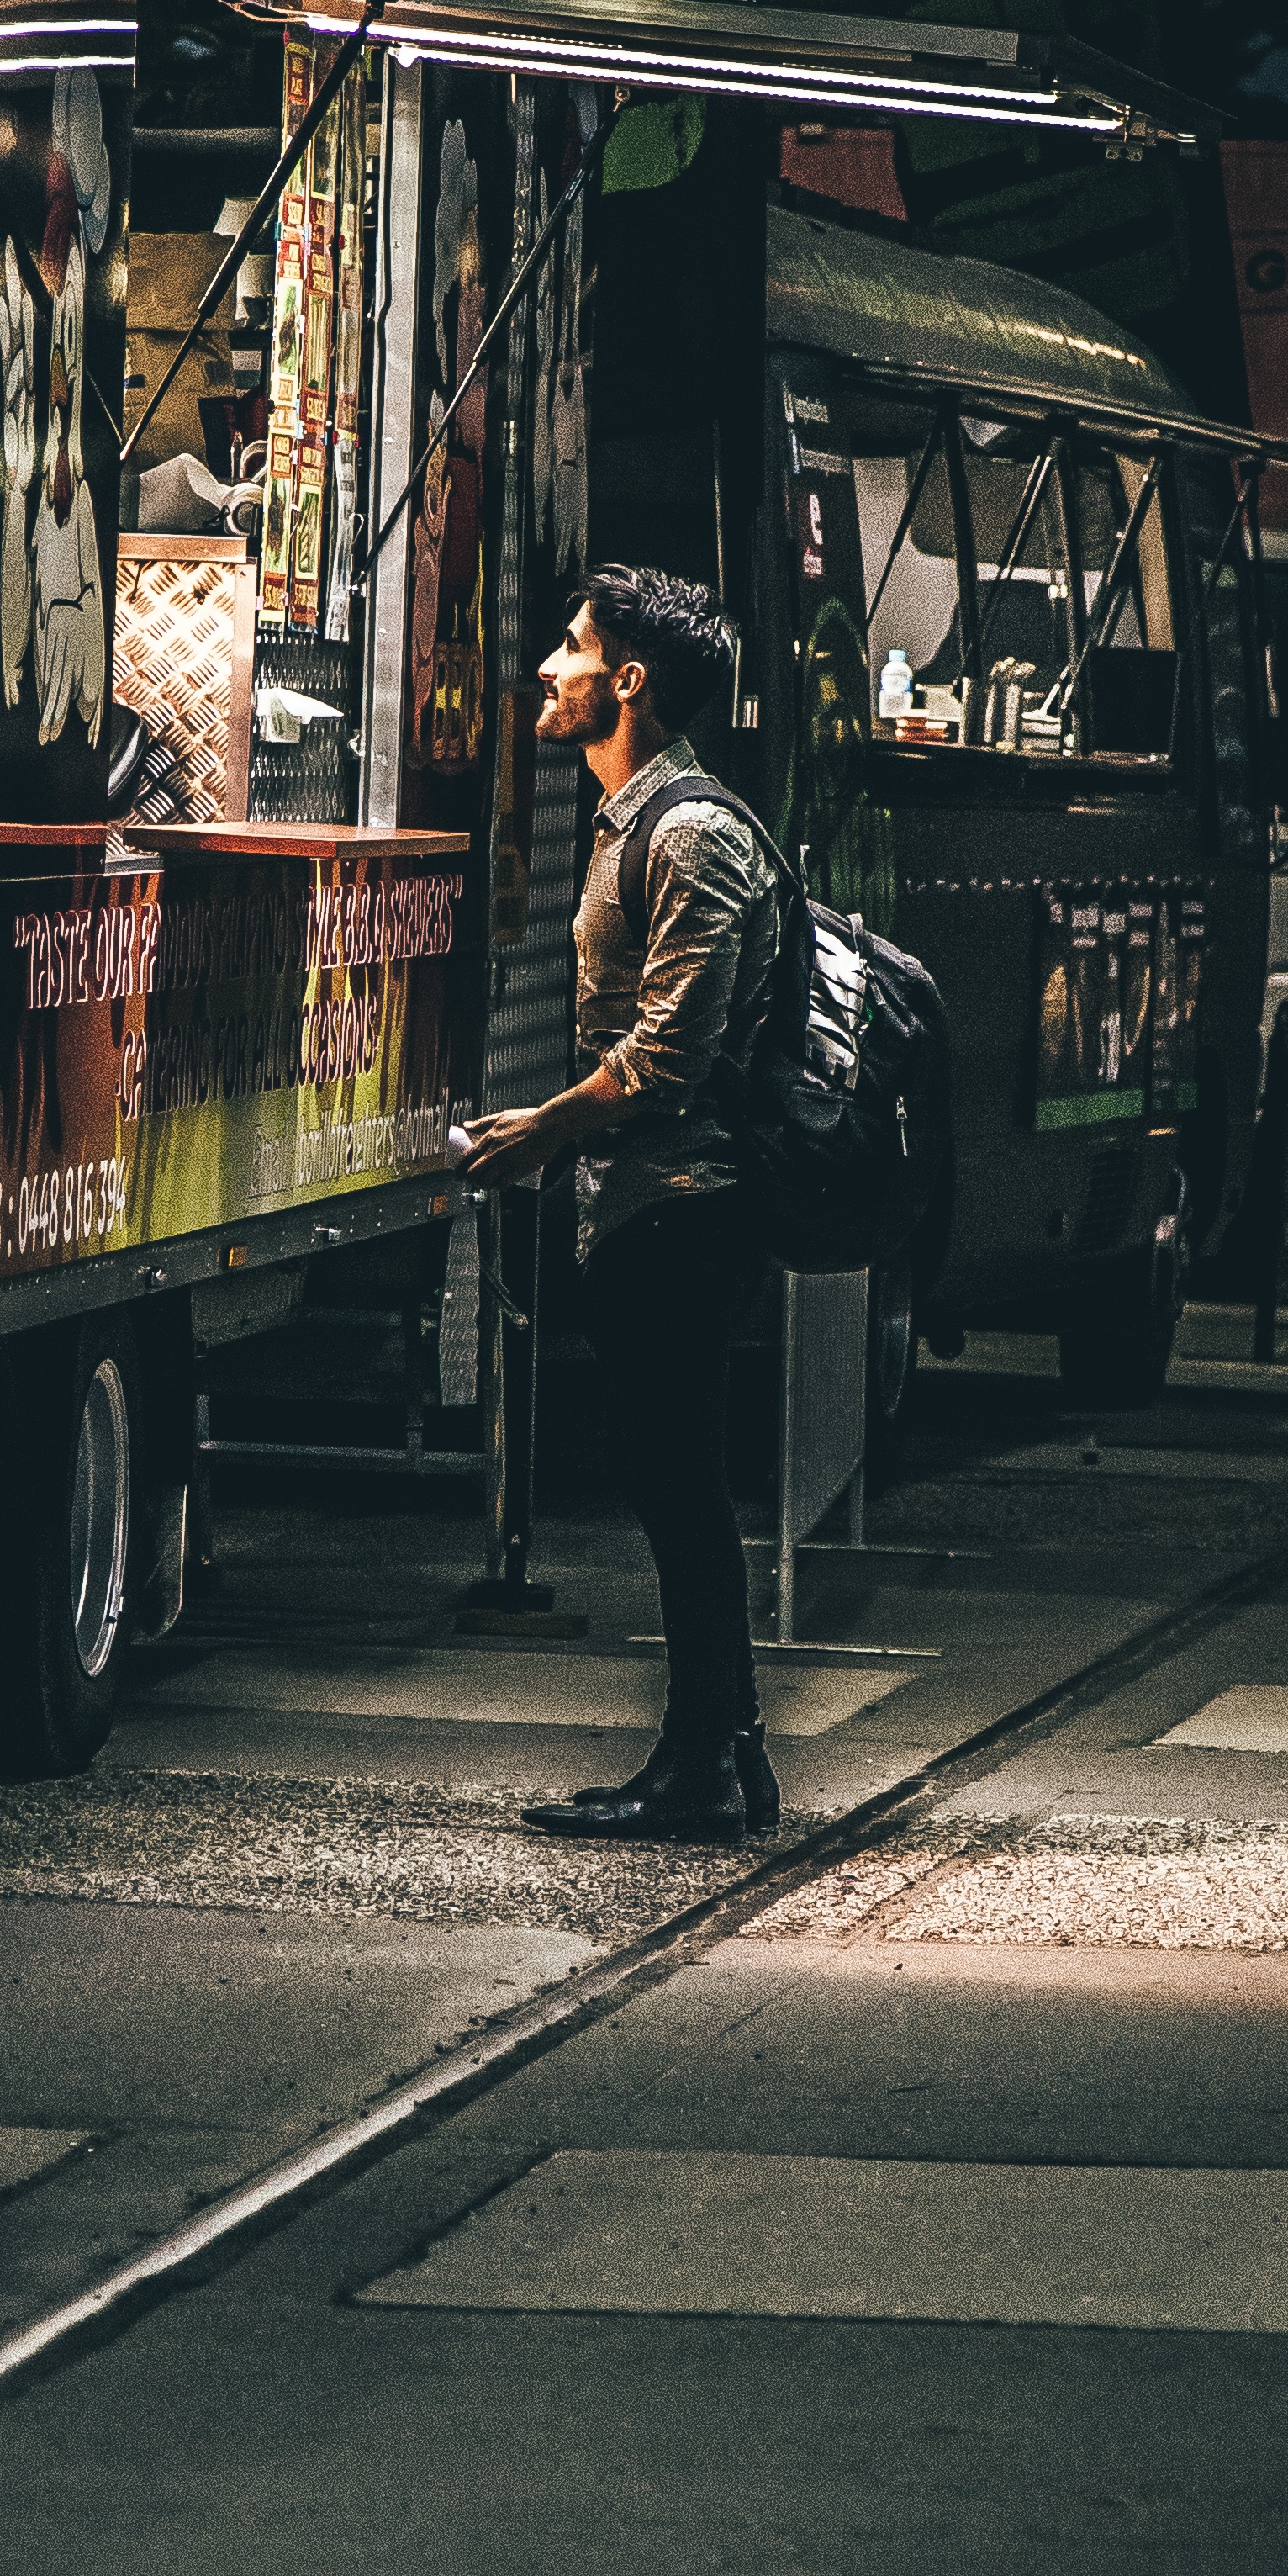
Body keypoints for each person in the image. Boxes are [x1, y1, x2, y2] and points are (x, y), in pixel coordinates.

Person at [461, 566, 784, 1840]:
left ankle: (704, 1765)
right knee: (673, 1485)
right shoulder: (627, 821)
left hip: (684, 1207)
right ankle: (725, 1752)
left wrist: (539, 1130)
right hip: (645, 1204)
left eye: (575, 647)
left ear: (629, 682)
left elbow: (666, 1059)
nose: (550, 665)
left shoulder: (692, 833)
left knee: (683, 1490)